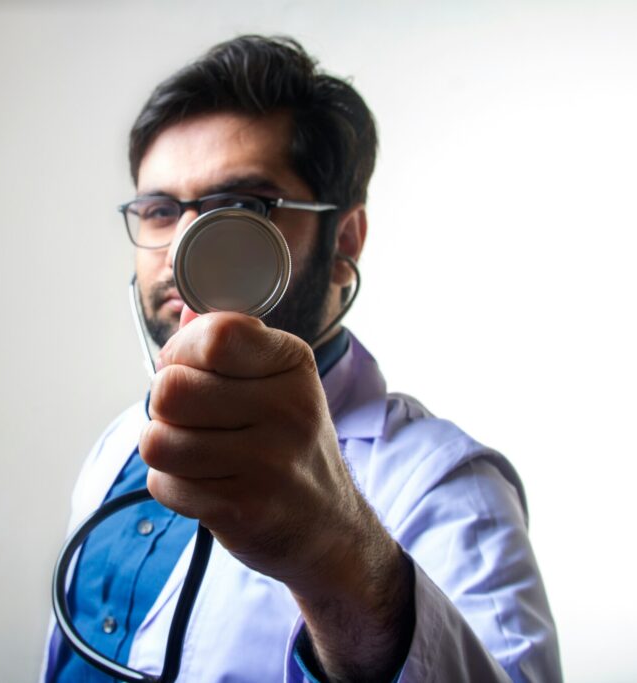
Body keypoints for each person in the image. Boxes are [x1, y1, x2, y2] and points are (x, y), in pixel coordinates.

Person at [41, 35, 561, 682]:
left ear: (343, 240)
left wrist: (337, 556)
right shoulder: (119, 444)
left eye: (240, 209)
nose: (182, 254)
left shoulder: (449, 488)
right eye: (159, 210)